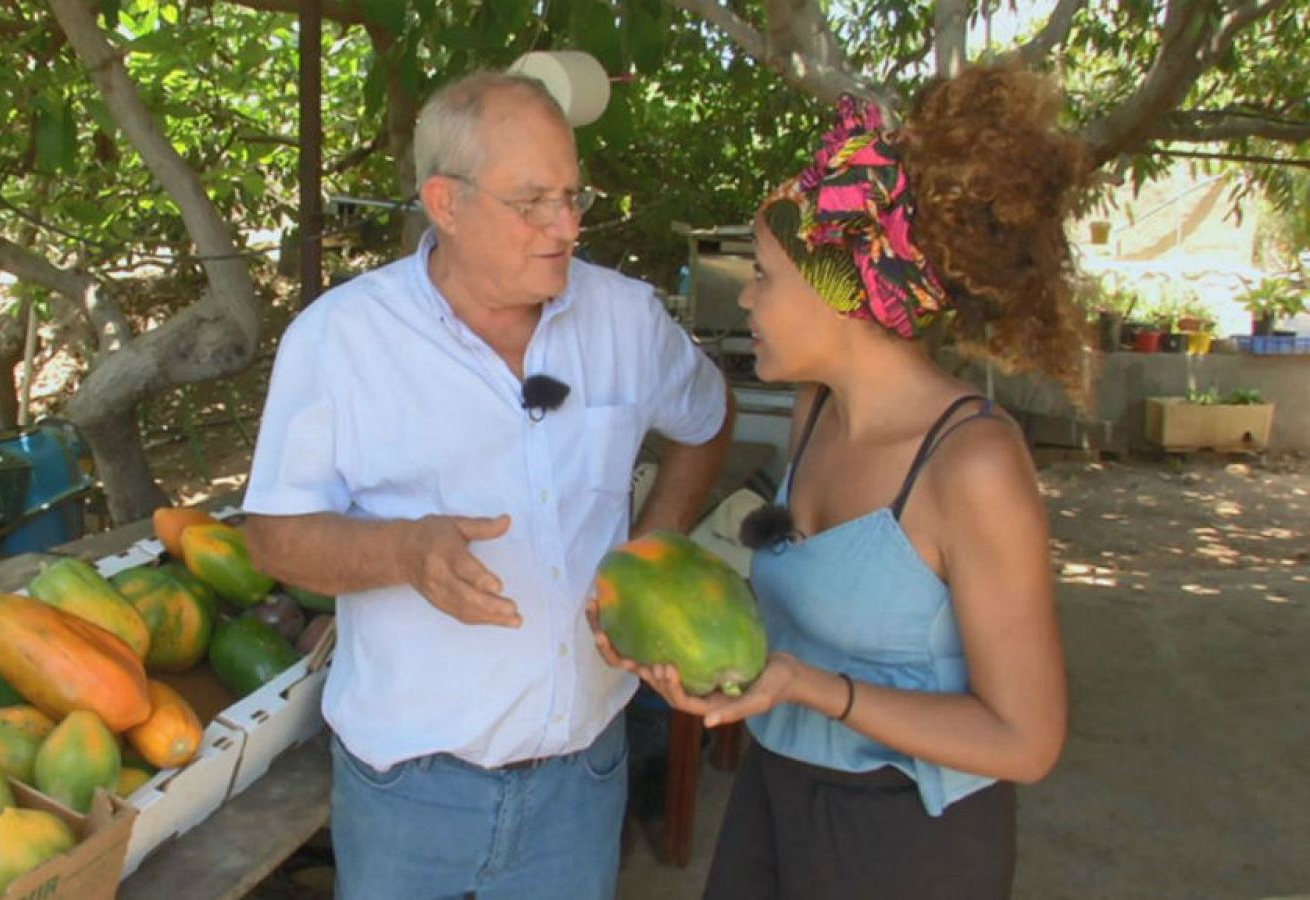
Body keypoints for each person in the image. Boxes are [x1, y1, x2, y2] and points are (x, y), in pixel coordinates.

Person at [592, 60, 1083, 898]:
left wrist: (811, 687)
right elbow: (807, 611)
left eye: (763, 277)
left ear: (846, 295)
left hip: (907, 835)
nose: (746, 300)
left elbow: (1026, 740)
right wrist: (682, 641)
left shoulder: (974, 466)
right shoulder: (815, 411)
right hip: (777, 791)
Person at [240, 70, 735, 899]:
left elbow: (707, 421)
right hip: (409, 791)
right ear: (447, 203)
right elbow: (274, 536)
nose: (566, 227)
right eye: (533, 201)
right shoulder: (342, 340)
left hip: (583, 777)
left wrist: (652, 543)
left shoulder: (625, 320)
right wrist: (405, 551)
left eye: (574, 197)